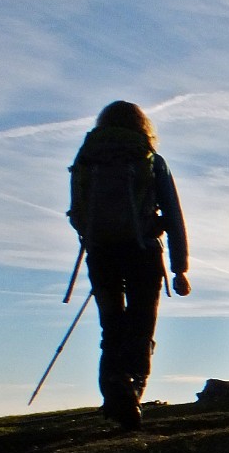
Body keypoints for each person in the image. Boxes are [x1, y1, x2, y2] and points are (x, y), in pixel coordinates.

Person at [68, 101, 190, 429]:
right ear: (142, 126)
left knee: (112, 328)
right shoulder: (150, 160)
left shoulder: (88, 159)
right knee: (141, 326)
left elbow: (76, 212)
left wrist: (95, 236)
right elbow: (175, 216)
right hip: (143, 253)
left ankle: (114, 391)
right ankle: (130, 391)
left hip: (101, 254)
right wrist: (180, 268)